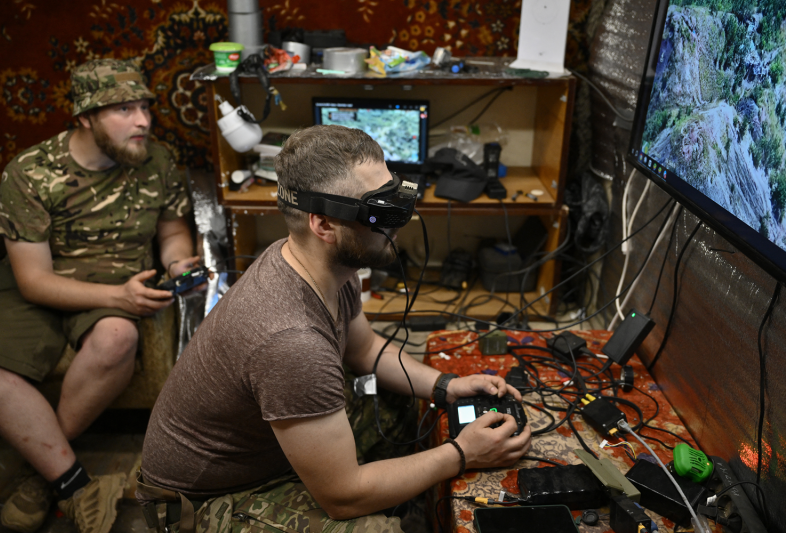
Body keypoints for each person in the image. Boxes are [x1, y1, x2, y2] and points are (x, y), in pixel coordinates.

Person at [137, 125, 533, 533]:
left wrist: (446, 385)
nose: (399, 222)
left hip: (261, 450)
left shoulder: (318, 267)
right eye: (380, 210)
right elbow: (344, 497)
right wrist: (463, 453)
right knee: (377, 531)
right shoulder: (291, 340)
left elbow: (364, 350)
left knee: (406, 405)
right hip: (204, 500)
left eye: (396, 195)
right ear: (323, 225)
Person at [0, 58, 200, 533]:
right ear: (84, 117)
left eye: (144, 106)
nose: (143, 120)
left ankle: (39, 469)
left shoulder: (156, 159)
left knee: (117, 338)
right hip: (39, 283)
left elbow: (171, 232)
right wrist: (117, 297)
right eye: (123, 109)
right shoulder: (30, 171)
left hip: (119, 277)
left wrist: (179, 263)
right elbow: (33, 281)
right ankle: (71, 482)